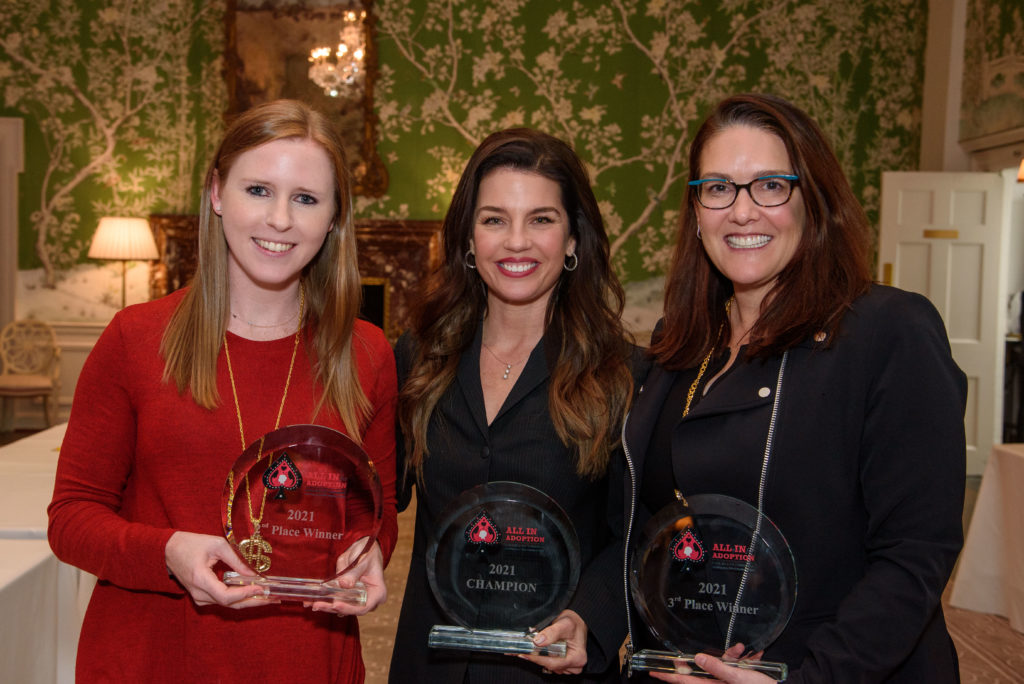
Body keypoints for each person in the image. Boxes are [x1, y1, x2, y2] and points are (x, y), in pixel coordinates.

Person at [48, 100, 398, 682]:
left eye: (306, 198)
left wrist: (372, 555)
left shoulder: (366, 353)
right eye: (258, 190)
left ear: (334, 218)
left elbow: (375, 517)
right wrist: (167, 552)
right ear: (216, 193)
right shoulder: (134, 339)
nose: (280, 219)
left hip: (305, 659)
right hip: (153, 657)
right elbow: (71, 518)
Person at [621, 93, 966, 683]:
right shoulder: (678, 344)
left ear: (813, 199)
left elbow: (915, 553)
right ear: (696, 210)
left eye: (770, 185)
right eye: (718, 188)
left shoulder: (887, 332)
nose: (742, 211)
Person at [388, 128, 644, 683]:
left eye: (542, 219)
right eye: (495, 219)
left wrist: (591, 619)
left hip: (549, 667)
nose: (516, 242)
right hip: (431, 663)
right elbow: (376, 494)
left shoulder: (627, 374)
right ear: (468, 238)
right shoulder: (417, 358)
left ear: (574, 239)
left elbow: (637, 532)